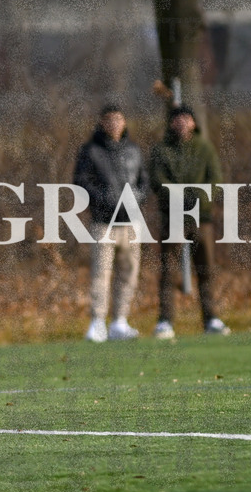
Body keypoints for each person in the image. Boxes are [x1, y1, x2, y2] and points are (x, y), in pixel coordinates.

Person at [149, 105, 229, 338]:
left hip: (201, 218)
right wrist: (180, 196)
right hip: (172, 217)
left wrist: (196, 197)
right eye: (177, 119)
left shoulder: (205, 148)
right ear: (171, 123)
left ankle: (211, 319)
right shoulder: (161, 150)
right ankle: (165, 321)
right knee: (168, 269)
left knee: (206, 269)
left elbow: (215, 181)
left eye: (186, 119)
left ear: (193, 123)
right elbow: (157, 181)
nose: (182, 123)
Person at [73, 104, 149, 342]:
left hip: (131, 223)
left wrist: (136, 198)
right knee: (101, 274)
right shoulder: (91, 151)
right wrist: (104, 199)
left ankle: (120, 322)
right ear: (102, 123)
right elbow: (81, 181)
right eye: (110, 120)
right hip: (104, 223)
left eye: (119, 119)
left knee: (129, 274)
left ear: (125, 122)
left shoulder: (134, 150)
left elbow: (144, 182)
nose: (115, 124)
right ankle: (98, 323)